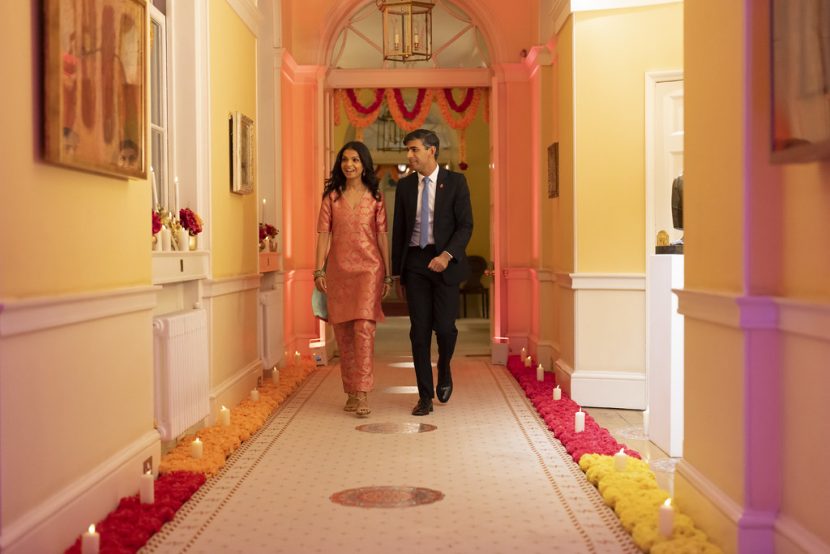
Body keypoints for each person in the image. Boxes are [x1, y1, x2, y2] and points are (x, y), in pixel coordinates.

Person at [391, 129, 473, 416]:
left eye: (414, 150)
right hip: (415, 263)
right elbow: (399, 232)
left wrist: (446, 255)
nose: (409, 156)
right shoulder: (404, 187)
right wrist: (396, 274)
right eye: (408, 150)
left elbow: (466, 226)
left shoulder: (455, 183)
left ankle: (445, 368)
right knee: (419, 332)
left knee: (446, 329)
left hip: (445, 263)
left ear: (432, 150)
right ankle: (424, 396)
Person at [314, 141, 392, 418]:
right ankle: (350, 390)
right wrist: (318, 269)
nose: (349, 164)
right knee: (345, 333)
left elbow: (382, 236)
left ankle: (363, 393)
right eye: (345, 159)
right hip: (338, 270)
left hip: (369, 269)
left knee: (364, 330)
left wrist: (388, 272)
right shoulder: (331, 198)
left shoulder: (376, 198)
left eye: (356, 160)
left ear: (364, 164)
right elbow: (324, 235)